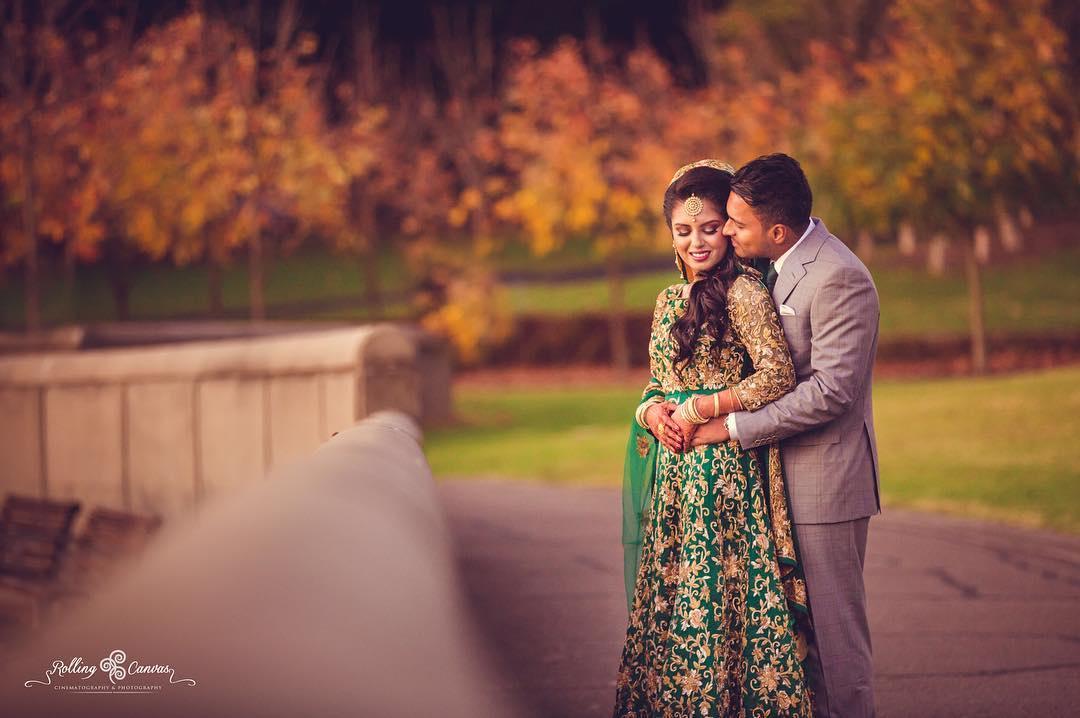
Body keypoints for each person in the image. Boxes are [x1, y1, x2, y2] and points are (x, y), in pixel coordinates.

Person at [613, 160, 813, 717]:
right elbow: (656, 383)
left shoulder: (745, 292)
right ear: (671, 236)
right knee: (677, 602)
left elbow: (777, 375)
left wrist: (706, 406)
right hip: (674, 478)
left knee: (723, 602)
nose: (697, 241)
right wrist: (654, 414)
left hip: (726, 471)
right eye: (683, 231)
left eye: (709, 227)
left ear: (728, 226)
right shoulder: (667, 302)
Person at [702, 153, 881, 717]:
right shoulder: (770, 266)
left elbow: (832, 390)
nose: (727, 230)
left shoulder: (839, 276)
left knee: (834, 643)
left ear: (777, 230)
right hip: (777, 485)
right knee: (795, 646)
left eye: (737, 222)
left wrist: (734, 427)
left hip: (824, 486)